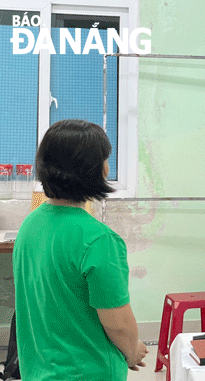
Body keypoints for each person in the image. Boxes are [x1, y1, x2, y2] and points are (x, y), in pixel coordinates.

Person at [12, 119, 147, 381]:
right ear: (92, 170)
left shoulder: (31, 224)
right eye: (105, 160)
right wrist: (132, 350)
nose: (108, 168)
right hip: (86, 373)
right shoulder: (98, 240)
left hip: (38, 371)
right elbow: (117, 323)